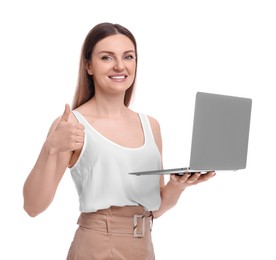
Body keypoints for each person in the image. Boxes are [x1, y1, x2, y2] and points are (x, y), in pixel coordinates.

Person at [23, 22, 215, 260]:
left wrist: (179, 185)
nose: (120, 66)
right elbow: (32, 207)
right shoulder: (72, 124)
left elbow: (156, 208)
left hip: (144, 246)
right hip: (98, 246)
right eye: (106, 57)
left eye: (128, 56)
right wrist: (50, 148)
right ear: (88, 65)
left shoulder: (150, 125)